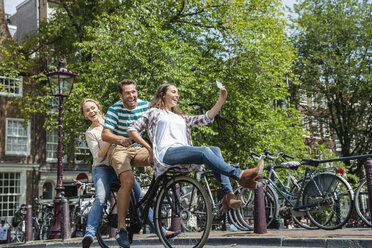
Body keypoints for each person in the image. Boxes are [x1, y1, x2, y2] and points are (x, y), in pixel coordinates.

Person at [127, 83, 264, 213]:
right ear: (163, 94)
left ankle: (228, 194)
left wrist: (221, 100)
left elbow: (207, 118)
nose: (177, 95)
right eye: (173, 92)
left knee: (215, 150)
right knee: (204, 151)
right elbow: (132, 129)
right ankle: (239, 175)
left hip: (183, 153)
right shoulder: (153, 112)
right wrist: (149, 148)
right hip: (166, 154)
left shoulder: (182, 117)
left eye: (178, 93)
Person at [80, 98, 178, 248]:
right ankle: (90, 233)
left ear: (98, 108)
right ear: (85, 115)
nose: (91, 111)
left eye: (93, 108)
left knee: (140, 198)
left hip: (120, 163)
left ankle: (162, 231)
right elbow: (98, 155)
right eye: (87, 110)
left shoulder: (111, 120)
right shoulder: (91, 132)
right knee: (100, 198)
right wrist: (111, 139)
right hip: (102, 168)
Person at [102, 79, 180, 248]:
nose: (132, 96)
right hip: (119, 149)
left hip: (138, 147)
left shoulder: (146, 106)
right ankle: (122, 229)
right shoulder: (115, 109)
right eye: (127, 93)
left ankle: (153, 198)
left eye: (134, 92)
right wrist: (121, 139)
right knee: (128, 181)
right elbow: (105, 134)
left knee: (161, 158)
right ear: (121, 95)